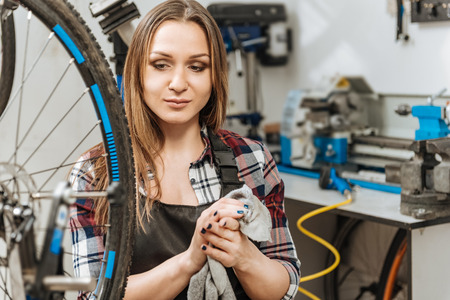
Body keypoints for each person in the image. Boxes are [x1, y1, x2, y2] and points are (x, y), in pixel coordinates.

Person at [69, 0, 300, 299]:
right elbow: (96, 294)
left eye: (196, 66)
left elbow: (285, 285)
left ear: (214, 76)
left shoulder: (252, 159)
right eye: (161, 64)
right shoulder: (95, 172)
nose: (178, 83)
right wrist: (190, 260)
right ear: (138, 71)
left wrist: (244, 256)